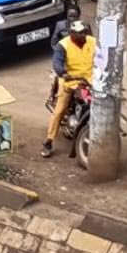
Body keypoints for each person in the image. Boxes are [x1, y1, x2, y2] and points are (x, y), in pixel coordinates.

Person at [42, 21, 96, 158]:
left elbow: (102, 58)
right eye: (80, 33)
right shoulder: (63, 45)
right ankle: (48, 142)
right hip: (70, 80)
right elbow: (57, 64)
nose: (83, 34)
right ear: (72, 34)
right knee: (59, 110)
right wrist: (65, 74)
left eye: (84, 31)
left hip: (91, 80)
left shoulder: (93, 42)